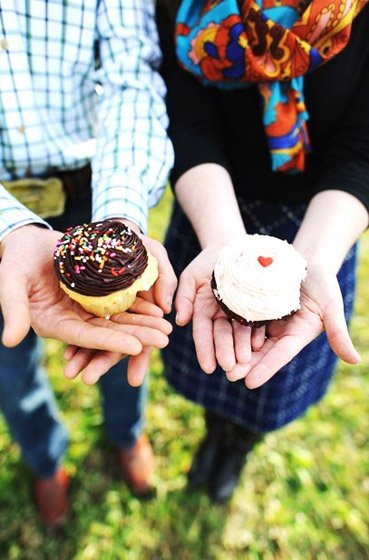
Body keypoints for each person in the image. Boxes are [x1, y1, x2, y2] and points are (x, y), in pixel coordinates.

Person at [155, 0, 369, 503]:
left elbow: (362, 150)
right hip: (213, 209)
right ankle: (215, 431)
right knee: (215, 356)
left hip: (318, 225)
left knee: (274, 368)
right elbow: (187, 123)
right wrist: (225, 243)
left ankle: (239, 446)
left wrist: (314, 258)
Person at [0, 0, 177, 526]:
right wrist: (11, 226)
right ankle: (44, 459)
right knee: (8, 362)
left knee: (121, 338)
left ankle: (125, 434)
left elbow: (132, 80)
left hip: (93, 186)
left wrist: (118, 222)